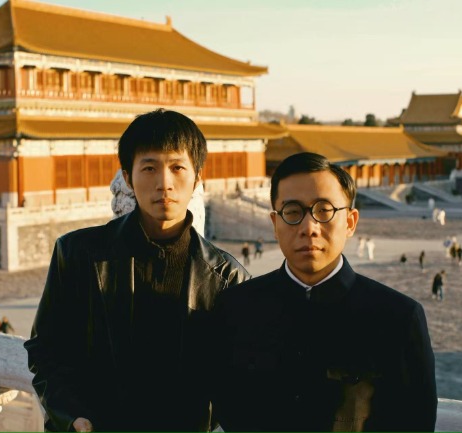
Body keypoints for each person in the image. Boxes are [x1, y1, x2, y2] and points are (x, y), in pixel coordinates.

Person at [24, 109, 250, 432]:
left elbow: (239, 378)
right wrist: (71, 416)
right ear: (127, 177)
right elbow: (46, 349)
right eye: (149, 168)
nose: (164, 184)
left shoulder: (227, 278)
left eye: (177, 168)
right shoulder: (77, 255)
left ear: (198, 178)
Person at [214, 152, 437, 432]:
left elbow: (415, 421)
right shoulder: (237, 308)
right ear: (274, 224)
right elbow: (229, 408)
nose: (309, 228)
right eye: (292, 212)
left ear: (350, 222)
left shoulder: (397, 318)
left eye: (324, 210)